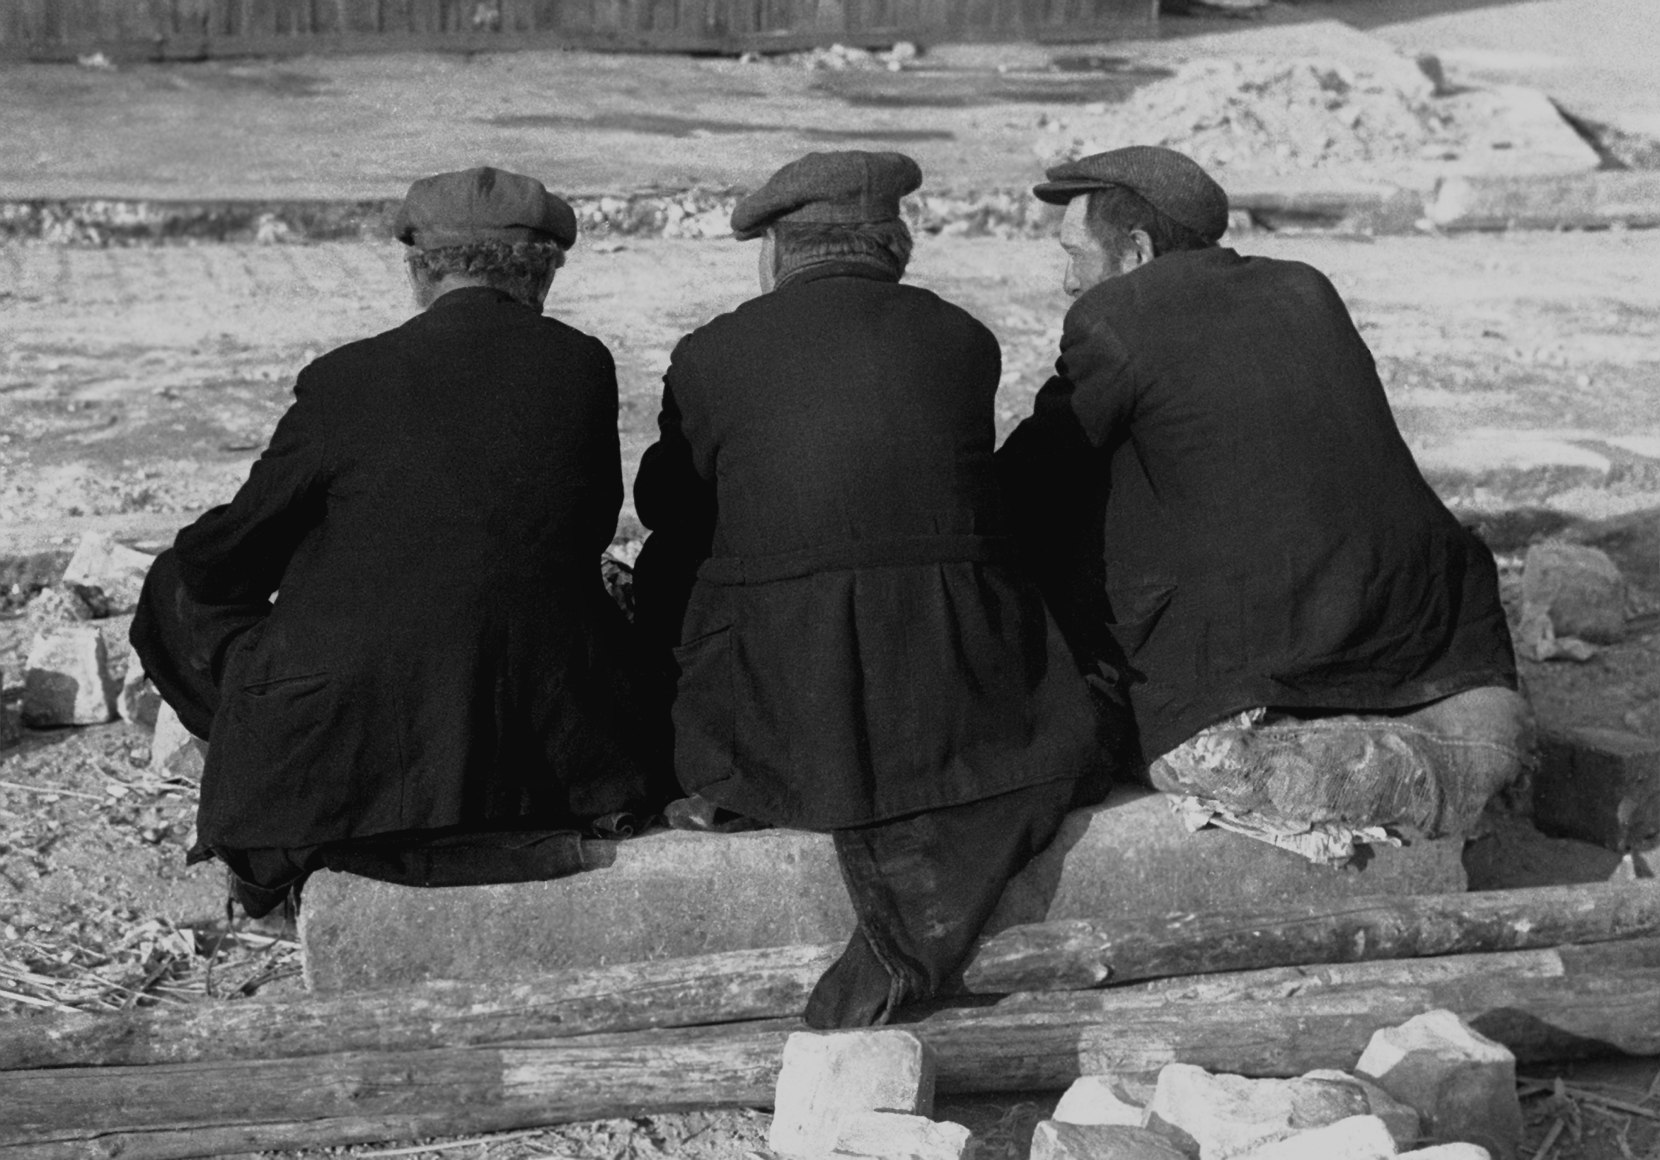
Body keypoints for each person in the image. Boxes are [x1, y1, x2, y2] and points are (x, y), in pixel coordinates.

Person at [632, 150, 1111, 1028]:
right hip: (949, 681)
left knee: (678, 553)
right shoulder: (963, 340)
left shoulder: (712, 352)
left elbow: (664, 503)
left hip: (787, 695)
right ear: (896, 246)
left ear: (779, 249)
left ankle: (721, 760)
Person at [130, 166, 672, 917]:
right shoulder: (583, 365)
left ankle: (285, 786)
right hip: (543, 728)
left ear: (420, 268)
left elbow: (228, 556)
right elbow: (582, 523)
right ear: (543, 270)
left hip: (359, 729)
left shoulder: (347, 377)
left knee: (173, 586)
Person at [997, 145, 1529, 863]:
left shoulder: (1118, 317)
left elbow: (1034, 478)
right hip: (1421, 628)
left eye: (1073, 255)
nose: (1066, 281)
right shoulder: (1304, 287)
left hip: (1263, 644)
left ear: (1136, 250)